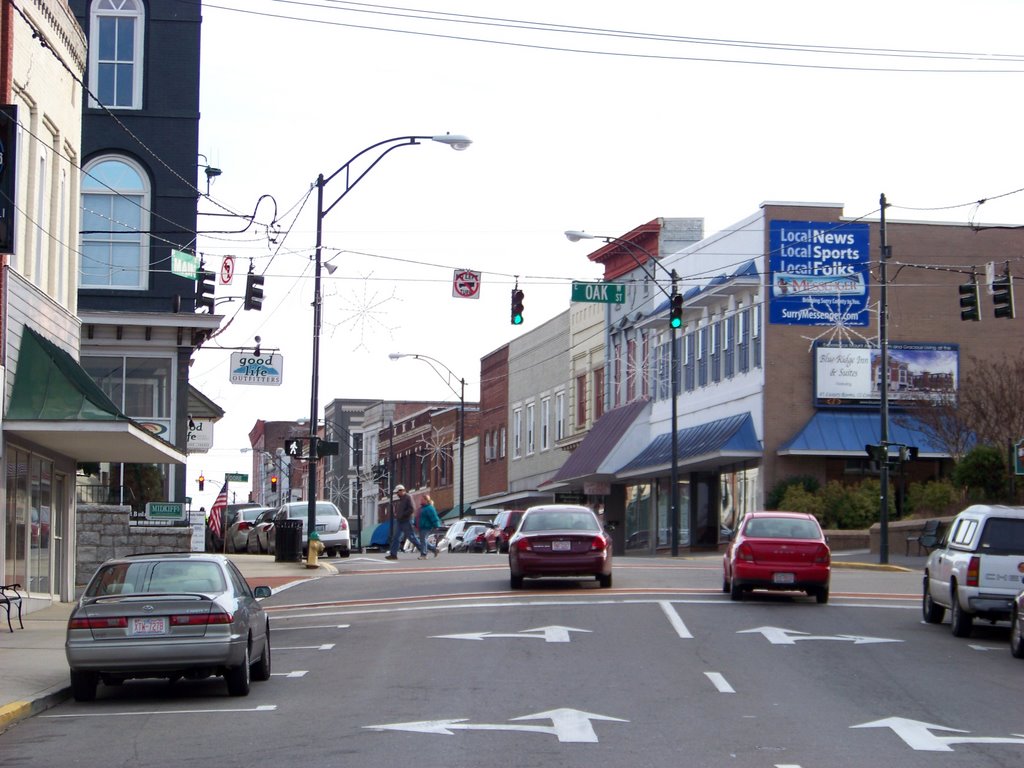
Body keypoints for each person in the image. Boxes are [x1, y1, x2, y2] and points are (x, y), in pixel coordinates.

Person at [386, 485, 427, 560]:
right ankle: (393, 554)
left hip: (407, 520)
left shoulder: (408, 497)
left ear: (402, 491)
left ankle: (424, 552)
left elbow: (412, 509)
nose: (396, 494)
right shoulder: (401, 499)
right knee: (396, 537)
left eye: (397, 492)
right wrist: (398, 515)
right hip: (400, 521)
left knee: (412, 538)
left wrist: (402, 515)